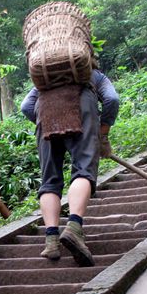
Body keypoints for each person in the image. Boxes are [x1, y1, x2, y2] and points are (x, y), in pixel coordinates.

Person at [20, 68, 120, 266]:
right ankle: (74, 228)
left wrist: (47, 121)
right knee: (83, 169)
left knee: (50, 179)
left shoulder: (48, 76)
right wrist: (103, 133)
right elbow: (112, 100)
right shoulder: (92, 74)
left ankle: (51, 241)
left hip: (45, 108)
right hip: (82, 107)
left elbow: (26, 106)